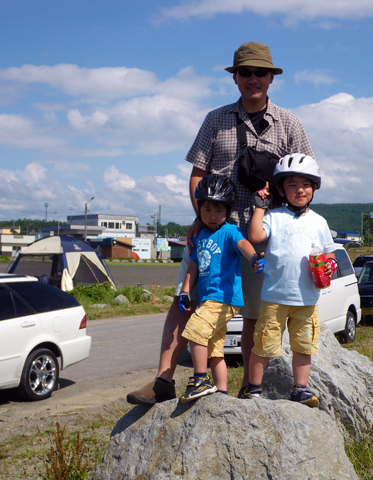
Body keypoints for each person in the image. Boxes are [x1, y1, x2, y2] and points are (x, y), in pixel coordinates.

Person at [127, 41, 314, 405]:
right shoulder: (215, 119)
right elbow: (198, 175)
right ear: (235, 78)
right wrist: (202, 218)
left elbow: (304, 177)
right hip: (213, 232)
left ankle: (249, 388)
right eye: (245, 72)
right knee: (185, 302)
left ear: (272, 78)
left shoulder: (290, 124)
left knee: (255, 315)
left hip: (263, 238)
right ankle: (164, 379)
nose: (253, 79)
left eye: (260, 72)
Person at [243, 153, 337, 408]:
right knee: (263, 345)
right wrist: (259, 206)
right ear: (281, 190)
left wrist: (330, 265)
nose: (299, 190)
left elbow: (330, 253)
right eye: (292, 185)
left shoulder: (319, 222)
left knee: (304, 346)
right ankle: (253, 389)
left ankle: (300, 388)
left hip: (307, 298)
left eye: (306, 184)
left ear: (314, 188)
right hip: (274, 297)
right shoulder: (274, 216)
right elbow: (255, 236)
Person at [177, 175, 264, 401]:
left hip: (224, 298)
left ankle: (200, 379)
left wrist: (253, 257)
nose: (212, 216)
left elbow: (243, 244)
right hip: (208, 299)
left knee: (195, 330)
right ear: (198, 209)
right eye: (207, 210)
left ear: (228, 210)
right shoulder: (199, 236)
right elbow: (193, 267)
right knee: (215, 350)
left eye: (218, 210)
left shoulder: (229, 231)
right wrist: (185, 292)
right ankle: (222, 394)